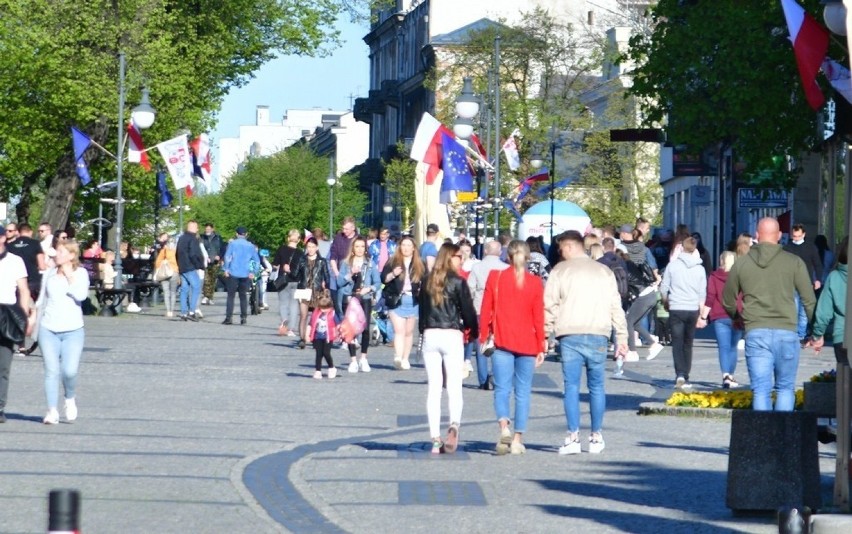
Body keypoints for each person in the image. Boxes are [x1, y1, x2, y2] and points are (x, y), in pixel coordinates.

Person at [544, 230, 628, 455]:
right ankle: (596, 436)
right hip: (598, 333)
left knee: (571, 386)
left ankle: (573, 436)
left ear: (570, 247)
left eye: (561, 248)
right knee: (597, 386)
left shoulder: (560, 271)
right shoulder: (603, 272)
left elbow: (550, 306)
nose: (560, 253)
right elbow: (615, 306)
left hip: (569, 334)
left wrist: (544, 335)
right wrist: (622, 337)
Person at [722, 217, 816, 411]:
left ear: (757, 236)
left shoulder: (742, 264)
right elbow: (809, 299)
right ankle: (782, 438)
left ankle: (763, 438)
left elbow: (728, 299)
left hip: (756, 331)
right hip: (787, 332)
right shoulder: (794, 262)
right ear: (780, 236)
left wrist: (736, 318)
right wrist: (816, 331)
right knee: (785, 388)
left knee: (761, 390)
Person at [479, 240, 545, 455]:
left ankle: (504, 427)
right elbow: (538, 317)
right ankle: (517, 439)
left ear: (507, 256)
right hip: (527, 343)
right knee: (523, 392)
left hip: (502, 341)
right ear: (528, 258)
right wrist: (541, 346)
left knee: (502, 388)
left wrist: (482, 337)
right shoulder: (535, 283)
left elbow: (485, 310)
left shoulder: (496, 277)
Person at [419, 243, 478, 454]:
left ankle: (435, 438)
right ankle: (454, 424)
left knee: (434, 388)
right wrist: (474, 330)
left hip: (430, 334)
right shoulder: (458, 282)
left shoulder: (427, 280)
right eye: (458, 256)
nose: (461, 260)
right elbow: (468, 311)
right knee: (454, 385)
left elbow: (422, 310)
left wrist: (422, 331)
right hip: (451, 333)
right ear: (449, 257)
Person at [35, 240, 89, 424]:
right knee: (51, 371)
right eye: (57, 251)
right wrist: (33, 318)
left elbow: (81, 296)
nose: (56, 254)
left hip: (73, 329)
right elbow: (42, 298)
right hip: (48, 328)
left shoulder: (80, 273)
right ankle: (52, 411)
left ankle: (69, 398)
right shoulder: (49, 273)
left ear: (71, 255)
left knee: (69, 371)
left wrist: (69, 276)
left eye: (60, 251)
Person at [659, 237, 707, 391]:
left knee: (677, 342)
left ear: (681, 248)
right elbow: (702, 293)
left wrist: (666, 301)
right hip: (692, 308)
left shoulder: (672, 266)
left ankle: (679, 373)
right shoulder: (700, 269)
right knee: (688, 343)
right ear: (695, 249)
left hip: (676, 307)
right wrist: (701, 313)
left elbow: (663, 287)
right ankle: (686, 374)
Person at [0, 227, 35, 423]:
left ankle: (0, 406)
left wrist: (24, 316)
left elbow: (23, 290)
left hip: (6, 313)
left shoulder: (15, 261)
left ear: (3, 238)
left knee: (3, 364)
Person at [467, 240, 509, 389]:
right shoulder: (506, 268)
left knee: (481, 344)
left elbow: (470, 289)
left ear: (485, 251)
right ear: (499, 252)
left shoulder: (477, 267)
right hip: (501, 311)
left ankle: (483, 380)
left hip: (479, 309)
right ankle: (495, 374)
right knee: (500, 345)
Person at [337, 236, 381, 373]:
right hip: (350, 298)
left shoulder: (370, 263)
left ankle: (363, 358)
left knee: (365, 328)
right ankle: (353, 361)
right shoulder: (345, 263)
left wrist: (369, 289)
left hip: (365, 297)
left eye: (362, 246)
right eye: (357, 246)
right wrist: (350, 273)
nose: (360, 249)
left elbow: (378, 283)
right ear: (353, 248)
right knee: (351, 329)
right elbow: (339, 282)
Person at [381, 235, 425, 370]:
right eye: (403, 245)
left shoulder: (419, 263)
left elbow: (426, 280)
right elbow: (384, 279)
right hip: (397, 299)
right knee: (399, 330)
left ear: (413, 249)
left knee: (409, 331)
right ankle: (398, 357)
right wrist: (393, 274)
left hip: (413, 300)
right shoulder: (393, 261)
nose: (406, 248)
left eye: (408, 246)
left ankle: (406, 358)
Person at [704, 251, 743, 388]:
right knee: (733, 347)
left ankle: (725, 375)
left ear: (721, 261)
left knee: (723, 347)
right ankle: (731, 376)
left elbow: (710, 297)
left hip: (719, 315)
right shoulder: (739, 276)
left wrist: (703, 316)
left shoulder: (714, 276)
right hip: (736, 315)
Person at [7, 223, 46, 356]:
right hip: (34, 282)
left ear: (18, 232)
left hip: (16, 283)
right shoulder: (35, 244)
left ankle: (21, 345)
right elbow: (42, 265)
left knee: (18, 312)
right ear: (30, 231)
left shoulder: (10, 245)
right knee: (34, 311)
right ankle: (32, 328)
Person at [784, 223, 823, 344]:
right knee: (793, 309)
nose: (796, 239)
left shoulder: (810, 248)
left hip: (807, 283)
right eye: (794, 236)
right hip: (791, 283)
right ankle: (796, 334)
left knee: (804, 311)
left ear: (804, 234)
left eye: (799, 236)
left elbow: (817, 264)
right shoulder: (787, 248)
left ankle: (800, 335)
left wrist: (818, 279)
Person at [812, 236, 848, 365]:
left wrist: (817, 335)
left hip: (842, 336)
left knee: (845, 382)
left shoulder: (835, 277)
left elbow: (824, 312)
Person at [294, 237, 330, 350]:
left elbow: (327, 276)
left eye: (313, 247)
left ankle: (315, 338)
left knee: (315, 317)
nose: (310, 249)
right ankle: (302, 339)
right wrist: (297, 265)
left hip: (317, 291)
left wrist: (326, 286)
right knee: (303, 316)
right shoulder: (302, 259)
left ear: (317, 248)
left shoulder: (322, 261)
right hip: (304, 289)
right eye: (308, 247)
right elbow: (295, 275)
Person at [221, 227, 260, 325]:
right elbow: (257, 260)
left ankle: (229, 318)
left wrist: (226, 269)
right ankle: (243, 318)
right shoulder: (250, 246)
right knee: (243, 296)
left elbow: (227, 257)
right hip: (245, 273)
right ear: (246, 234)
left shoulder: (232, 244)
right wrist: (253, 272)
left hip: (233, 272)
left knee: (231, 296)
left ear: (236, 234)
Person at [272, 229, 304, 337]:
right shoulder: (300, 253)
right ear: (298, 240)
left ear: (288, 238)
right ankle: (291, 329)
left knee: (283, 303)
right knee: (294, 305)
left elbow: (275, 264)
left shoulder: (281, 249)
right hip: (295, 280)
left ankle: (284, 321)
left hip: (283, 279)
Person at [329, 217, 359, 318]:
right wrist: (336, 273)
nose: (344, 231)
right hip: (340, 272)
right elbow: (332, 257)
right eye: (343, 228)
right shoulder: (338, 238)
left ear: (353, 228)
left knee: (351, 305)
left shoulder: (359, 239)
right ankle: (341, 325)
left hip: (355, 272)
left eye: (346, 229)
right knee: (338, 305)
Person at [176, 220, 205, 322]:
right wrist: (199, 265)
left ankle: (183, 312)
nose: (198, 229)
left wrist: (179, 266)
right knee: (196, 287)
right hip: (190, 267)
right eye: (197, 227)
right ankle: (192, 312)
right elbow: (194, 254)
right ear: (193, 228)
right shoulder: (193, 239)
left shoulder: (181, 238)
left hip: (182, 267)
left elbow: (177, 253)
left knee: (184, 289)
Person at [308, 292, 338, 380]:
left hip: (328, 336)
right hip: (317, 336)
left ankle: (331, 367)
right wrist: (308, 333)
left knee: (326, 353)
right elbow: (311, 323)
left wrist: (340, 333)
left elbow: (338, 323)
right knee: (318, 354)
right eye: (322, 308)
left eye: (326, 308)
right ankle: (318, 371)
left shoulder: (332, 314)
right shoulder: (316, 313)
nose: (324, 310)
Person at [155, 236, 179, 318]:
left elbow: (158, 262)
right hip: (174, 272)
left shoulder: (164, 251)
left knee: (166, 292)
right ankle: (172, 311)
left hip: (164, 273)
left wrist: (162, 266)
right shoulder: (177, 251)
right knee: (173, 292)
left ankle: (168, 311)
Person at [200, 223, 223, 305]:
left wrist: (219, 256)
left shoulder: (218, 238)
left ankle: (210, 297)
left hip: (215, 261)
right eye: (206, 229)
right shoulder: (201, 237)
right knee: (206, 279)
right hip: (205, 261)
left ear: (212, 229)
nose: (207, 230)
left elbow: (222, 248)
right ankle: (206, 296)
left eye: (209, 229)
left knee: (213, 280)